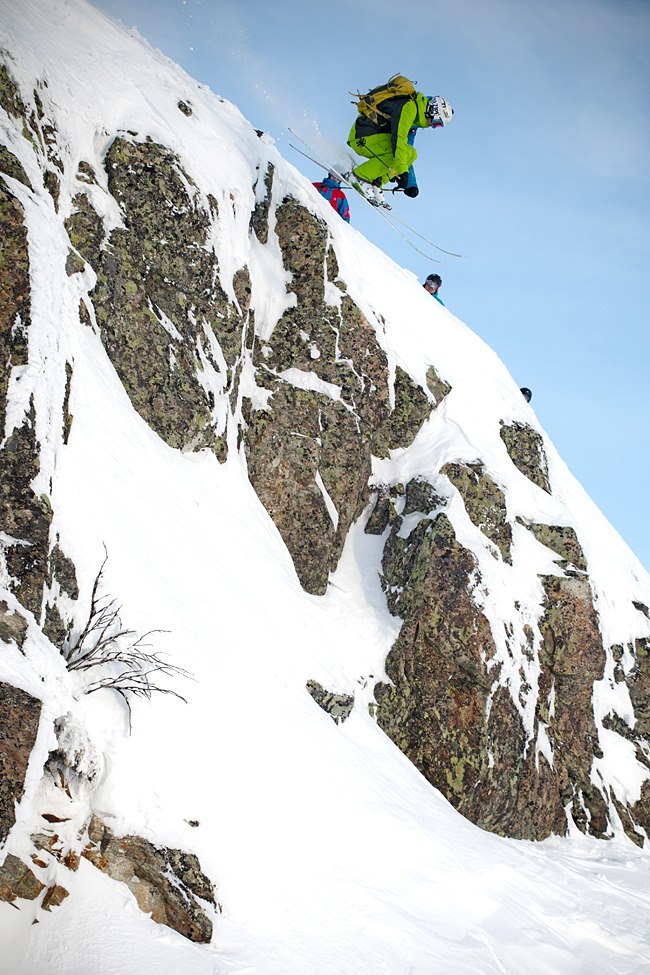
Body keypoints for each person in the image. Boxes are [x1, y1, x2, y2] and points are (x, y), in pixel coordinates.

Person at [347, 83, 453, 205]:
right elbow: (398, 140)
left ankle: (377, 181)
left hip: (374, 139)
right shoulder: (410, 107)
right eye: (437, 123)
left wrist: (410, 183)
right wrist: (402, 171)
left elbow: (407, 153)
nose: (433, 126)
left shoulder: (415, 120)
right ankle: (360, 176)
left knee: (412, 153)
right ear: (433, 111)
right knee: (398, 150)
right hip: (362, 137)